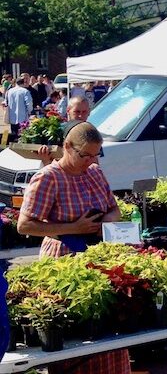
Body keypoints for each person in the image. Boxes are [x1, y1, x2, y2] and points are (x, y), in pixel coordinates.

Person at [17, 122, 130, 374]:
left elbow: (114, 208)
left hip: (98, 257)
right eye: (84, 155)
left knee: (106, 333)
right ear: (67, 147)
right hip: (62, 261)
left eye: (95, 155)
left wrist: (108, 220)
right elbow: (24, 225)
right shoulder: (49, 177)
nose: (90, 161)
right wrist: (73, 227)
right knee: (74, 337)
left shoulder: (95, 173)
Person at [37, 96, 92, 165]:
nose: (80, 116)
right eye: (77, 112)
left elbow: (95, 161)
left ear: (89, 112)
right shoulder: (57, 131)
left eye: (84, 112)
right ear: (68, 111)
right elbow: (49, 159)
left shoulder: (91, 132)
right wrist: (45, 159)